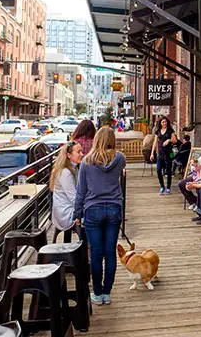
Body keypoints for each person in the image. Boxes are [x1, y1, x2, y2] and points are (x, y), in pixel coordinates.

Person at [74, 127, 126, 306]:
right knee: (110, 253)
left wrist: (77, 213)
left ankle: (96, 292)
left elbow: (81, 190)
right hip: (114, 208)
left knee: (96, 254)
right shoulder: (119, 159)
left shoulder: (87, 161)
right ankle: (107, 293)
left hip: (92, 208)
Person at [50, 140, 84, 240]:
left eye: (81, 151)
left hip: (64, 209)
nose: (81, 154)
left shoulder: (73, 169)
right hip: (65, 213)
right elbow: (74, 199)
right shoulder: (66, 173)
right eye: (78, 152)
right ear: (69, 155)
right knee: (95, 217)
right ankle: (86, 251)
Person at [150, 117, 176, 194]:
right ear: (160, 123)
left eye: (165, 122)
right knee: (158, 170)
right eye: (163, 122)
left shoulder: (170, 130)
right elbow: (155, 142)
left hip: (168, 153)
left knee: (168, 171)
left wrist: (169, 140)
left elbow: (175, 140)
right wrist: (152, 153)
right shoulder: (157, 131)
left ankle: (168, 187)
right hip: (160, 153)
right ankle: (162, 186)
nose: (164, 123)